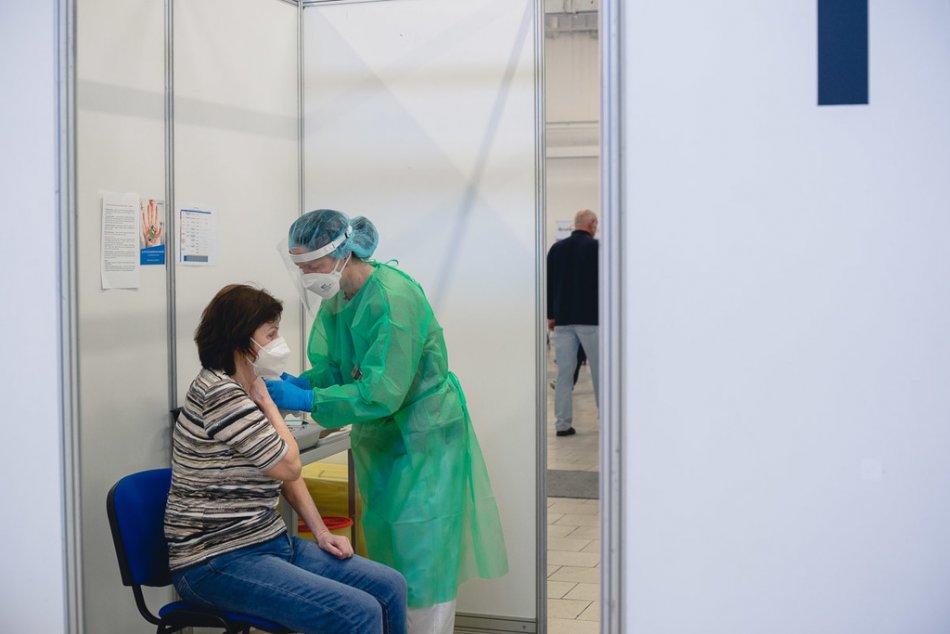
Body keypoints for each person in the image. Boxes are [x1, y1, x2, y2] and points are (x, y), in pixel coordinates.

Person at [265, 210, 509, 634]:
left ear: (342, 253)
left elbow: (382, 390)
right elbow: (336, 366)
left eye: (312, 265)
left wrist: (308, 399)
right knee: (389, 549)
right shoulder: (339, 300)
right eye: (300, 267)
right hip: (383, 440)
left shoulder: (394, 298)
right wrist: (305, 383)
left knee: (424, 557)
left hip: (423, 437)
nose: (307, 276)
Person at [164, 284, 408, 634]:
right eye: (271, 334)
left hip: (267, 541)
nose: (279, 342)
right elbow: (289, 465)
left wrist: (321, 533)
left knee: (390, 586)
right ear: (242, 341)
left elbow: (284, 475)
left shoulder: (246, 387)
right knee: (359, 612)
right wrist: (270, 406)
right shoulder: (221, 394)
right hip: (215, 560)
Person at [546, 209, 600, 437]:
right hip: (591, 320)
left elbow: (549, 283)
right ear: (592, 224)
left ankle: (562, 424)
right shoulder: (597, 248)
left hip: (563, 320)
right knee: (599, 371)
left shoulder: (556, 249)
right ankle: (605, 421)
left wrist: (551, 315)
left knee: (564, 374)